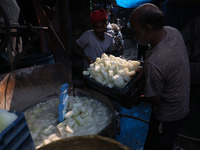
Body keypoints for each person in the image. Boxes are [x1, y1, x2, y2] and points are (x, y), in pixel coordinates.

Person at [130, 3, 190, 150]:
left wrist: (140, 92)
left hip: (168, 116)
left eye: (135, 31)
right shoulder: (172, 32)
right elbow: (168, 64)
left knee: (157, 145)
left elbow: (154, 98)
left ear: (148, 29)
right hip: (183, 105)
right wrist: (146, 70)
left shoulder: (155, 62)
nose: (133, 35)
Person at [71, 8, 113, 73]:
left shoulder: (109, 38)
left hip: (103, 72)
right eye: (96, 27)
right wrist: (85, 56)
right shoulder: (88, 35)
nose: (99, 30)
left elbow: (110, 53)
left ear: (106, 25)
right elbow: (74, 48)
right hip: (89, 71)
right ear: (93, 27)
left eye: (101, 27)